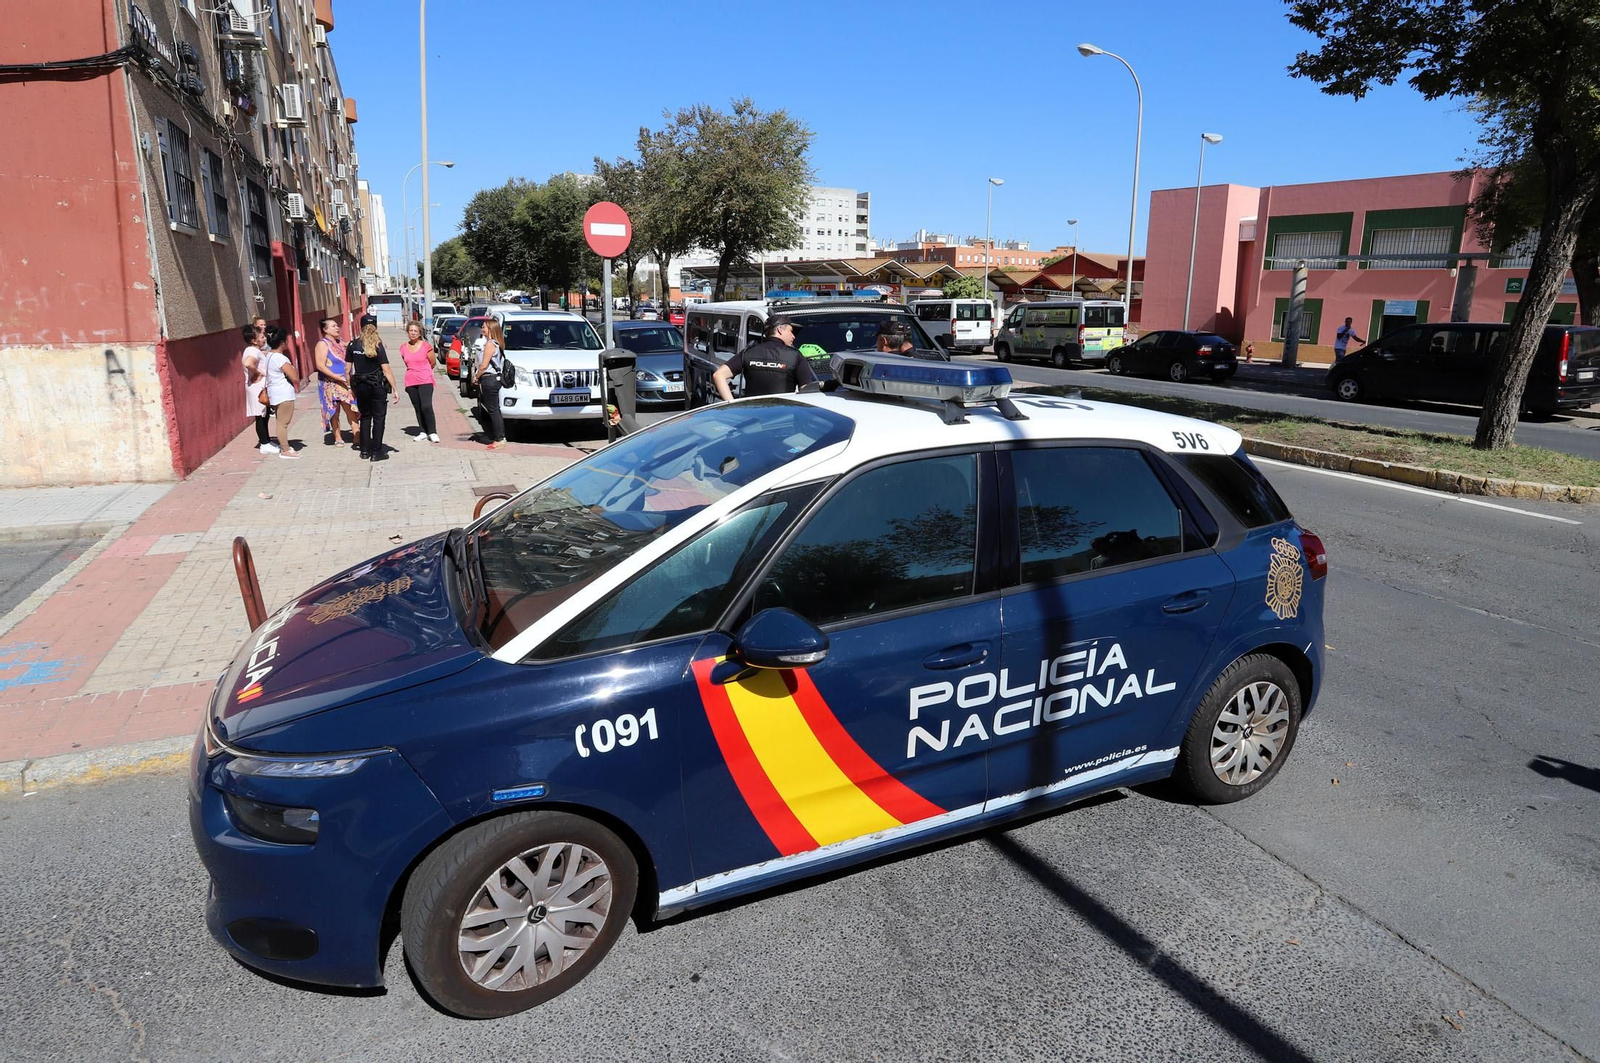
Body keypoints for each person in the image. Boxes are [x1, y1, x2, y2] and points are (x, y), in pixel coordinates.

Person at [713, 315, 815, 401]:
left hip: (752, 417)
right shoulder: (795, 356)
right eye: (791, 331)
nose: (793, 336)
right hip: (783, 418)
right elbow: (807, 390)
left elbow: (718, 375)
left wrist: (732, 405)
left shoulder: (749, 352)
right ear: (780, 329)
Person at [346, 313, 399, 460]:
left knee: (365, 417)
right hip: (376, 386)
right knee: (379, 418)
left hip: (360, 386)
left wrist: (350, 388)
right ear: (375, 327)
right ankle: (376, 452)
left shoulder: (353, 344)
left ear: (361, 327)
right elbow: (386, 370)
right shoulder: (378, 345)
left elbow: (347, 370)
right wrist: (395, 389)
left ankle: (364, 451)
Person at [314, 316, 359, 449]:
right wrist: (336, 377)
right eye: (333, 326)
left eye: (337, 325)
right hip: (329, 383)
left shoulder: (340, 342)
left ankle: (357, 435)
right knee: (334, 411)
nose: (337, 328)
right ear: (325, 329)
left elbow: (353, 346)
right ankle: (337, 437)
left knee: (351, 407)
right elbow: (320, 365)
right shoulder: (322, 344)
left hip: (345, 382)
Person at [259, 325, 301, 459]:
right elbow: (295, 377)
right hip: (283, 393)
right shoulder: (281, 358)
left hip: (274, 392)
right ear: (282, 343)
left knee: (280, 421)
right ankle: (285, 450)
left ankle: (284, 446)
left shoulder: (269, 356)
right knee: (283, 423)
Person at [399, 321, 440, 442]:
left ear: (419, 333)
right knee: (417, 407)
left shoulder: (426, 346)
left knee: (426, 406)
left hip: (425, 379)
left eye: (415, 331)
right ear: (407, 332)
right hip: (411, 380)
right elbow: (407, 362)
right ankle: (422, 431)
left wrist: (424, 371)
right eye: (411, 331)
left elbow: (433, 362)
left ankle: (432, 432)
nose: (413, 333)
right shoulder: (403, 347)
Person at [240, 319, 276, 455]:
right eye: (261, 337)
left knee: (264, 416)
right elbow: (248, 363)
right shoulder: (252, 351)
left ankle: (265, 440)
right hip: (257, 388)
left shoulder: (254, 350)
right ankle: (264, 443)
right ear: (254, 340)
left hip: (258, 388)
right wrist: (258, 372)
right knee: (260, 416)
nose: (264, 338)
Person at [473, 318, 508, 449]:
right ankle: (500, 437)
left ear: (490, 329)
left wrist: (476, 377)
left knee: (493, 410)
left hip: (489, 379)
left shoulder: (490, 344)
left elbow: (483, 365)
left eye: (484, 327)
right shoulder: (495, 343)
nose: (482, 329)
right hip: (493, 379)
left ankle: (499, 438)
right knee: (494, 409)